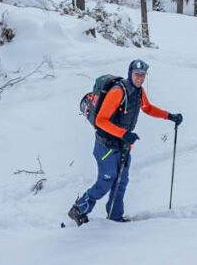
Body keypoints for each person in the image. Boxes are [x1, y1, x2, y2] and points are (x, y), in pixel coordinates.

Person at [68, 59, 182, 225]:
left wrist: (169, 116)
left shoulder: (139, 91)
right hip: (106, 144)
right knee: (106, 181)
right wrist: (124, 133)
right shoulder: (118, 92)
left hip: (123, 145)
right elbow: (101, 120)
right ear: (130, 73)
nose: (140, 78)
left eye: (143, 75)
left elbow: (147, 108)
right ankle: (79, 209)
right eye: (137, 75)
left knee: (121, 181)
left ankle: (115, 217)